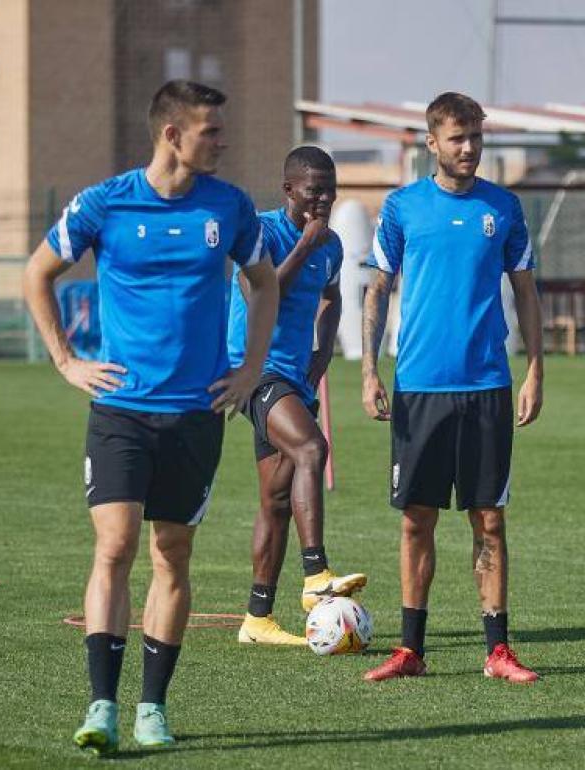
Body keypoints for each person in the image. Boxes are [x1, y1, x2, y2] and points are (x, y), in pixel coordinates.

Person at [22, 80, 279, 754]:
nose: (221, 141)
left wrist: (251, 370)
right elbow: (36, 273)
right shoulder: (104, 203)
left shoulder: (230, 208)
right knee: (114, 546)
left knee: (173, 554)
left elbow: (265, 281)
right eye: (210, 131)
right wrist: (66, 361)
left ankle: (151, 708)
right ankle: (101, 703)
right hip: (120, 411)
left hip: (195, 415)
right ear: (172, 134)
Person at [359, 92, 545, 684]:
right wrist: (368, 370)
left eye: (475, 138)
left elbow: (526, 292)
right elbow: (377, 289)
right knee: (417, 520)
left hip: (487, 383)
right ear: (432, 143)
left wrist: (536, 367)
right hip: (419, 386)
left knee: (489, 520)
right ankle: (410, 649)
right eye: (457, 138)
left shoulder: (505, 208)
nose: (469, 148)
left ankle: (498, 650)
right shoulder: (402, 207)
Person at [228, 146, 367, 646]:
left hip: (295, 375)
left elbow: (333, 297)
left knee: (276, 500)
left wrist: (325, 348)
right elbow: (259, 293)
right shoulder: (262, 232)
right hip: (253, 371)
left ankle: (256, 620)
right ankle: (315, 578)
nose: (324, 199)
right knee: (312, 448)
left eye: (331, 189)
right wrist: (305, 245)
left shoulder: (329, 245)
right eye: (314, 191)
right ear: (289, 190)